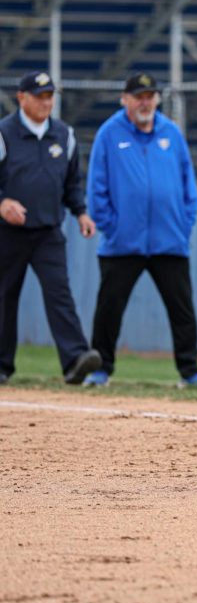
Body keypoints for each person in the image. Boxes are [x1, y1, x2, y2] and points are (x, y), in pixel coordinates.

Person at [84, 72, 197, 388]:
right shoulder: (109, 134)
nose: (145, 102)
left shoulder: (171, 133)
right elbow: (96, 188)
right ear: (124, 99)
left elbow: (189, 186)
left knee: (182, 311)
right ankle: (100, 370)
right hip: (122, 243)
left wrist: (182, 226)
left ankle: (190, 373)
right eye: (138, 97)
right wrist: (113, 228)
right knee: (109, 309)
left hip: (169, 241)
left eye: (150, 96)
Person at [0, 71, 101, 385]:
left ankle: (75, 360)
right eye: (39, 96)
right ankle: (1, 365)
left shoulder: (64, 135)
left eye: (49, 97)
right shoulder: (3, 133)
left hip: (48, 231)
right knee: (4, 297)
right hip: (8, 232)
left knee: (59, 293)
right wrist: (2, 203)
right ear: (21, 98)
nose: (46, 103)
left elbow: (71, 184)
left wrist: (81, 213)